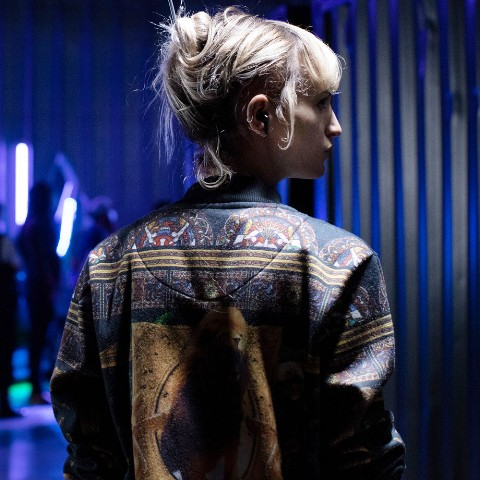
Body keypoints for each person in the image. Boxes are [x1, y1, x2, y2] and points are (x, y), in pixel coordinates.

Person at [51, 7, 406, 479]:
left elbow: (90, 458)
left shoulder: (109, 265)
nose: (335, 124)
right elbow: (364, 462)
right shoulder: (340, 264)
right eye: (321, 102)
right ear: (261, 116)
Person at [17, 182, 60, 405]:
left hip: (34, 285)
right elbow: (44, 258)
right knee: (40, 336)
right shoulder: (41, 224)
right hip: (42, 286)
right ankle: (36, 387)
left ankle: (35, 386)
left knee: (37, 336)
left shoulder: (29, 224)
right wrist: (51, 284)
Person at [0, 206, 22, 418]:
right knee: (5, 353)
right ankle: (3, 403)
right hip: (5, 306)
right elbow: (15, 265)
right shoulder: (5, 242)